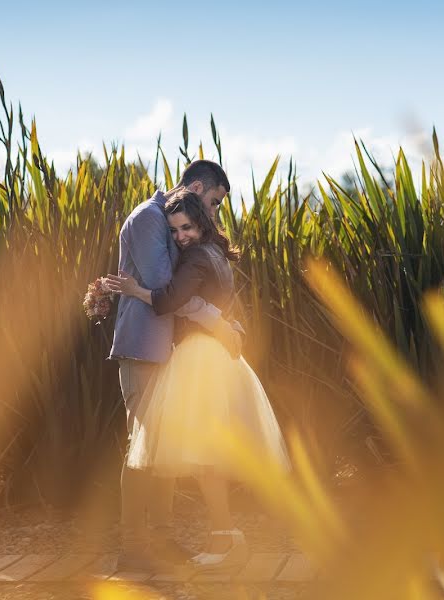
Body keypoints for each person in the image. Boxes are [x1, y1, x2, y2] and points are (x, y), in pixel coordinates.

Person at [105, 189, 289, 572]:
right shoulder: (209, 250)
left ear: (201, 222)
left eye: (186, 227)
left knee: (199, 453)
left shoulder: (195, 257)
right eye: (174, 231)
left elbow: (168, 297)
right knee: (194, 451)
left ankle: (216, 537)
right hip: (190, 353)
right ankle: (213, 536)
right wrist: (224, 322)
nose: (179, 237)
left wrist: (136, 290)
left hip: (197, 357)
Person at [107, 160, 244, 571]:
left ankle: (162, 543)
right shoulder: (149, 219)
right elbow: (168, 291)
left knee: (162, 451)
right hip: (145, 349)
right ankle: (133, 550)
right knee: (141, 450)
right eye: (215, 202)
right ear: (198, 188)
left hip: (168, 352)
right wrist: (219, 323)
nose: (214, 212)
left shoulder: (169, 218)